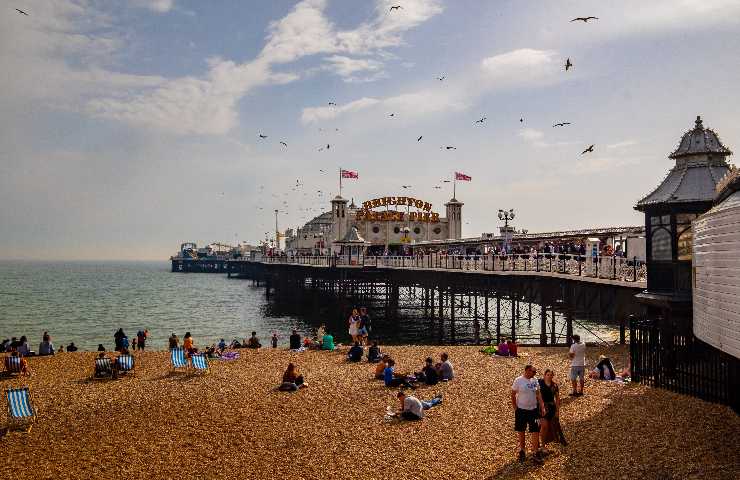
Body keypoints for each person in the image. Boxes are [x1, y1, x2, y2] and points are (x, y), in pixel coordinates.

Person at [511, 365, 546, 463]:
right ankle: (522, 450)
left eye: (535, 372)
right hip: (521, 410)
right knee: (521, 430)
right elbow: (513, 393)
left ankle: (535, 452)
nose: (535, 374)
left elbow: (538, 393)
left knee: (535, 430)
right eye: (533, 371)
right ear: (527, 370)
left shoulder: (534, 380)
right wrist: (515, 407)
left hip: (534, 410)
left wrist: (542, 406)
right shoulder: (518, 380)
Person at [539, 369, 566, 446]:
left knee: (552, 426)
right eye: (548, 375)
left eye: (551, 375)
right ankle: (541, 445)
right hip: (541, 407)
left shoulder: (554, 385)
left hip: (551, 407)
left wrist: (557, 411)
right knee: (544, 426)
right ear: (544, 375)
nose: (549, 376)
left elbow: (557, 398)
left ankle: (544, 443)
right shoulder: (539, 382)